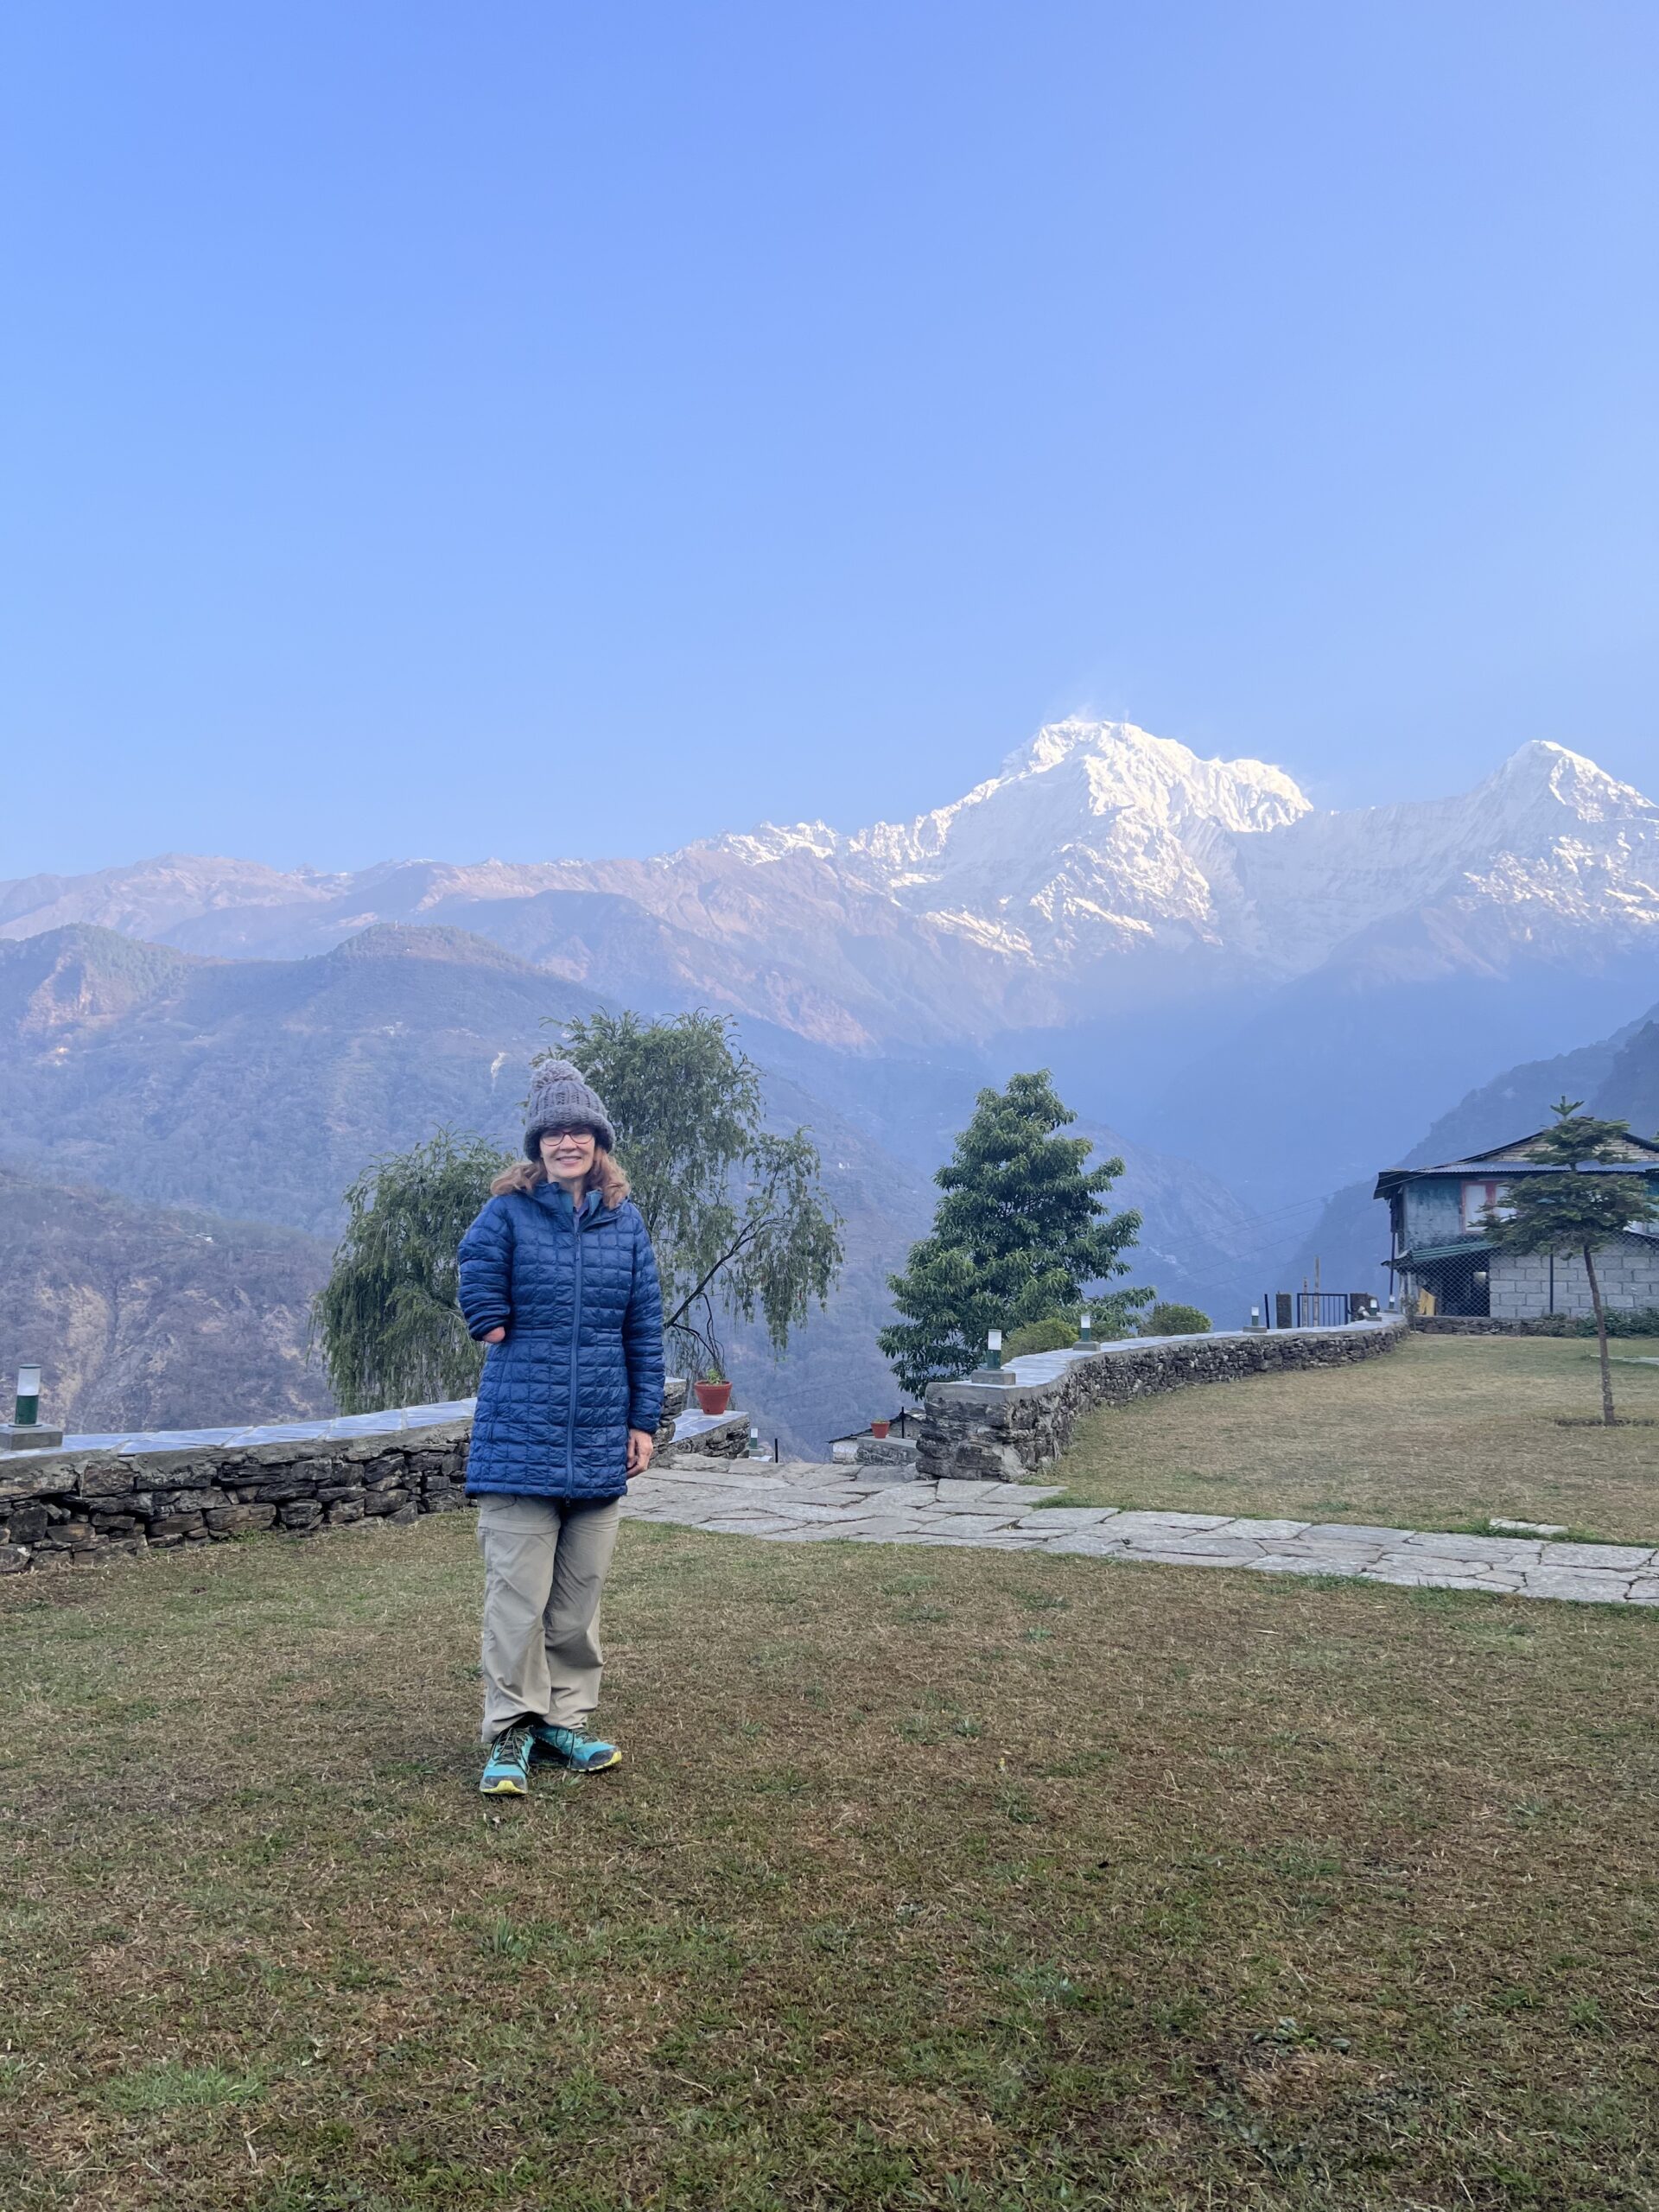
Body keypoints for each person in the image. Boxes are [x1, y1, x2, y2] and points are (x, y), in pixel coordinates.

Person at [458, 1060, 665, 1796]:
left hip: (600, 1439)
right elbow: (474, 1265)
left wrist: (642, 1422)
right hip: (520, 1440)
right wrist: (488, 1313)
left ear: (598, 1141)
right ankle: (512, 1730)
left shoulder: (624, 1220)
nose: (567, 1142)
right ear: (537, 1145)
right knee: (516, 1603)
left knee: (578, 1603)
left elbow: (643, 1327)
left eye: (579, 1131)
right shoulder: (507, 1213)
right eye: (553, 1133)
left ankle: (563, 1722)